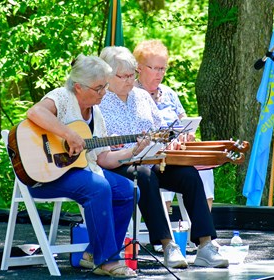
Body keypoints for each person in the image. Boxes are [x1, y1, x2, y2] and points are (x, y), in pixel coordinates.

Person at [99, 46, 229, 269]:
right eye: (124, 76)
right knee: (145, 175)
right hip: (118, 162)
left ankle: (205, 245)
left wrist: (174, 141)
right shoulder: (98, 101)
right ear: (108, 75)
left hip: (153, 158)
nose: (130, 80)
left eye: (132, 75)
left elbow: (162, 131)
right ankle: (168, 246)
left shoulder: (141, 97)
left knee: (188, 174)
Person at [25, 54, 143, 278]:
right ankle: (107, 260)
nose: (104, 92)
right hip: (44, 174)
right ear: (78, 87)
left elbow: (103, 158)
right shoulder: (61, 97)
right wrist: (68, 134)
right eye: (99, 88)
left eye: (105, 86)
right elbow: (35, 112)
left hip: (81, 171)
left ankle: (93, 255)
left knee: (129, 190)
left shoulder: (96, 114)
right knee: (98, 187)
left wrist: (133, 151)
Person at [133, 39, 215, 213]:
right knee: (167, 165)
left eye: (162, 68)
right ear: (138, 67)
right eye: (154, 68)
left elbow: (184, 122)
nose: (159, 74)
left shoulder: (168, 93)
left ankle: (203, 228)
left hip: (178, 151)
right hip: (150, 154)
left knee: (205, 169)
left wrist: (188, 134)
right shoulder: (131, 94)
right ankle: (166, 226)